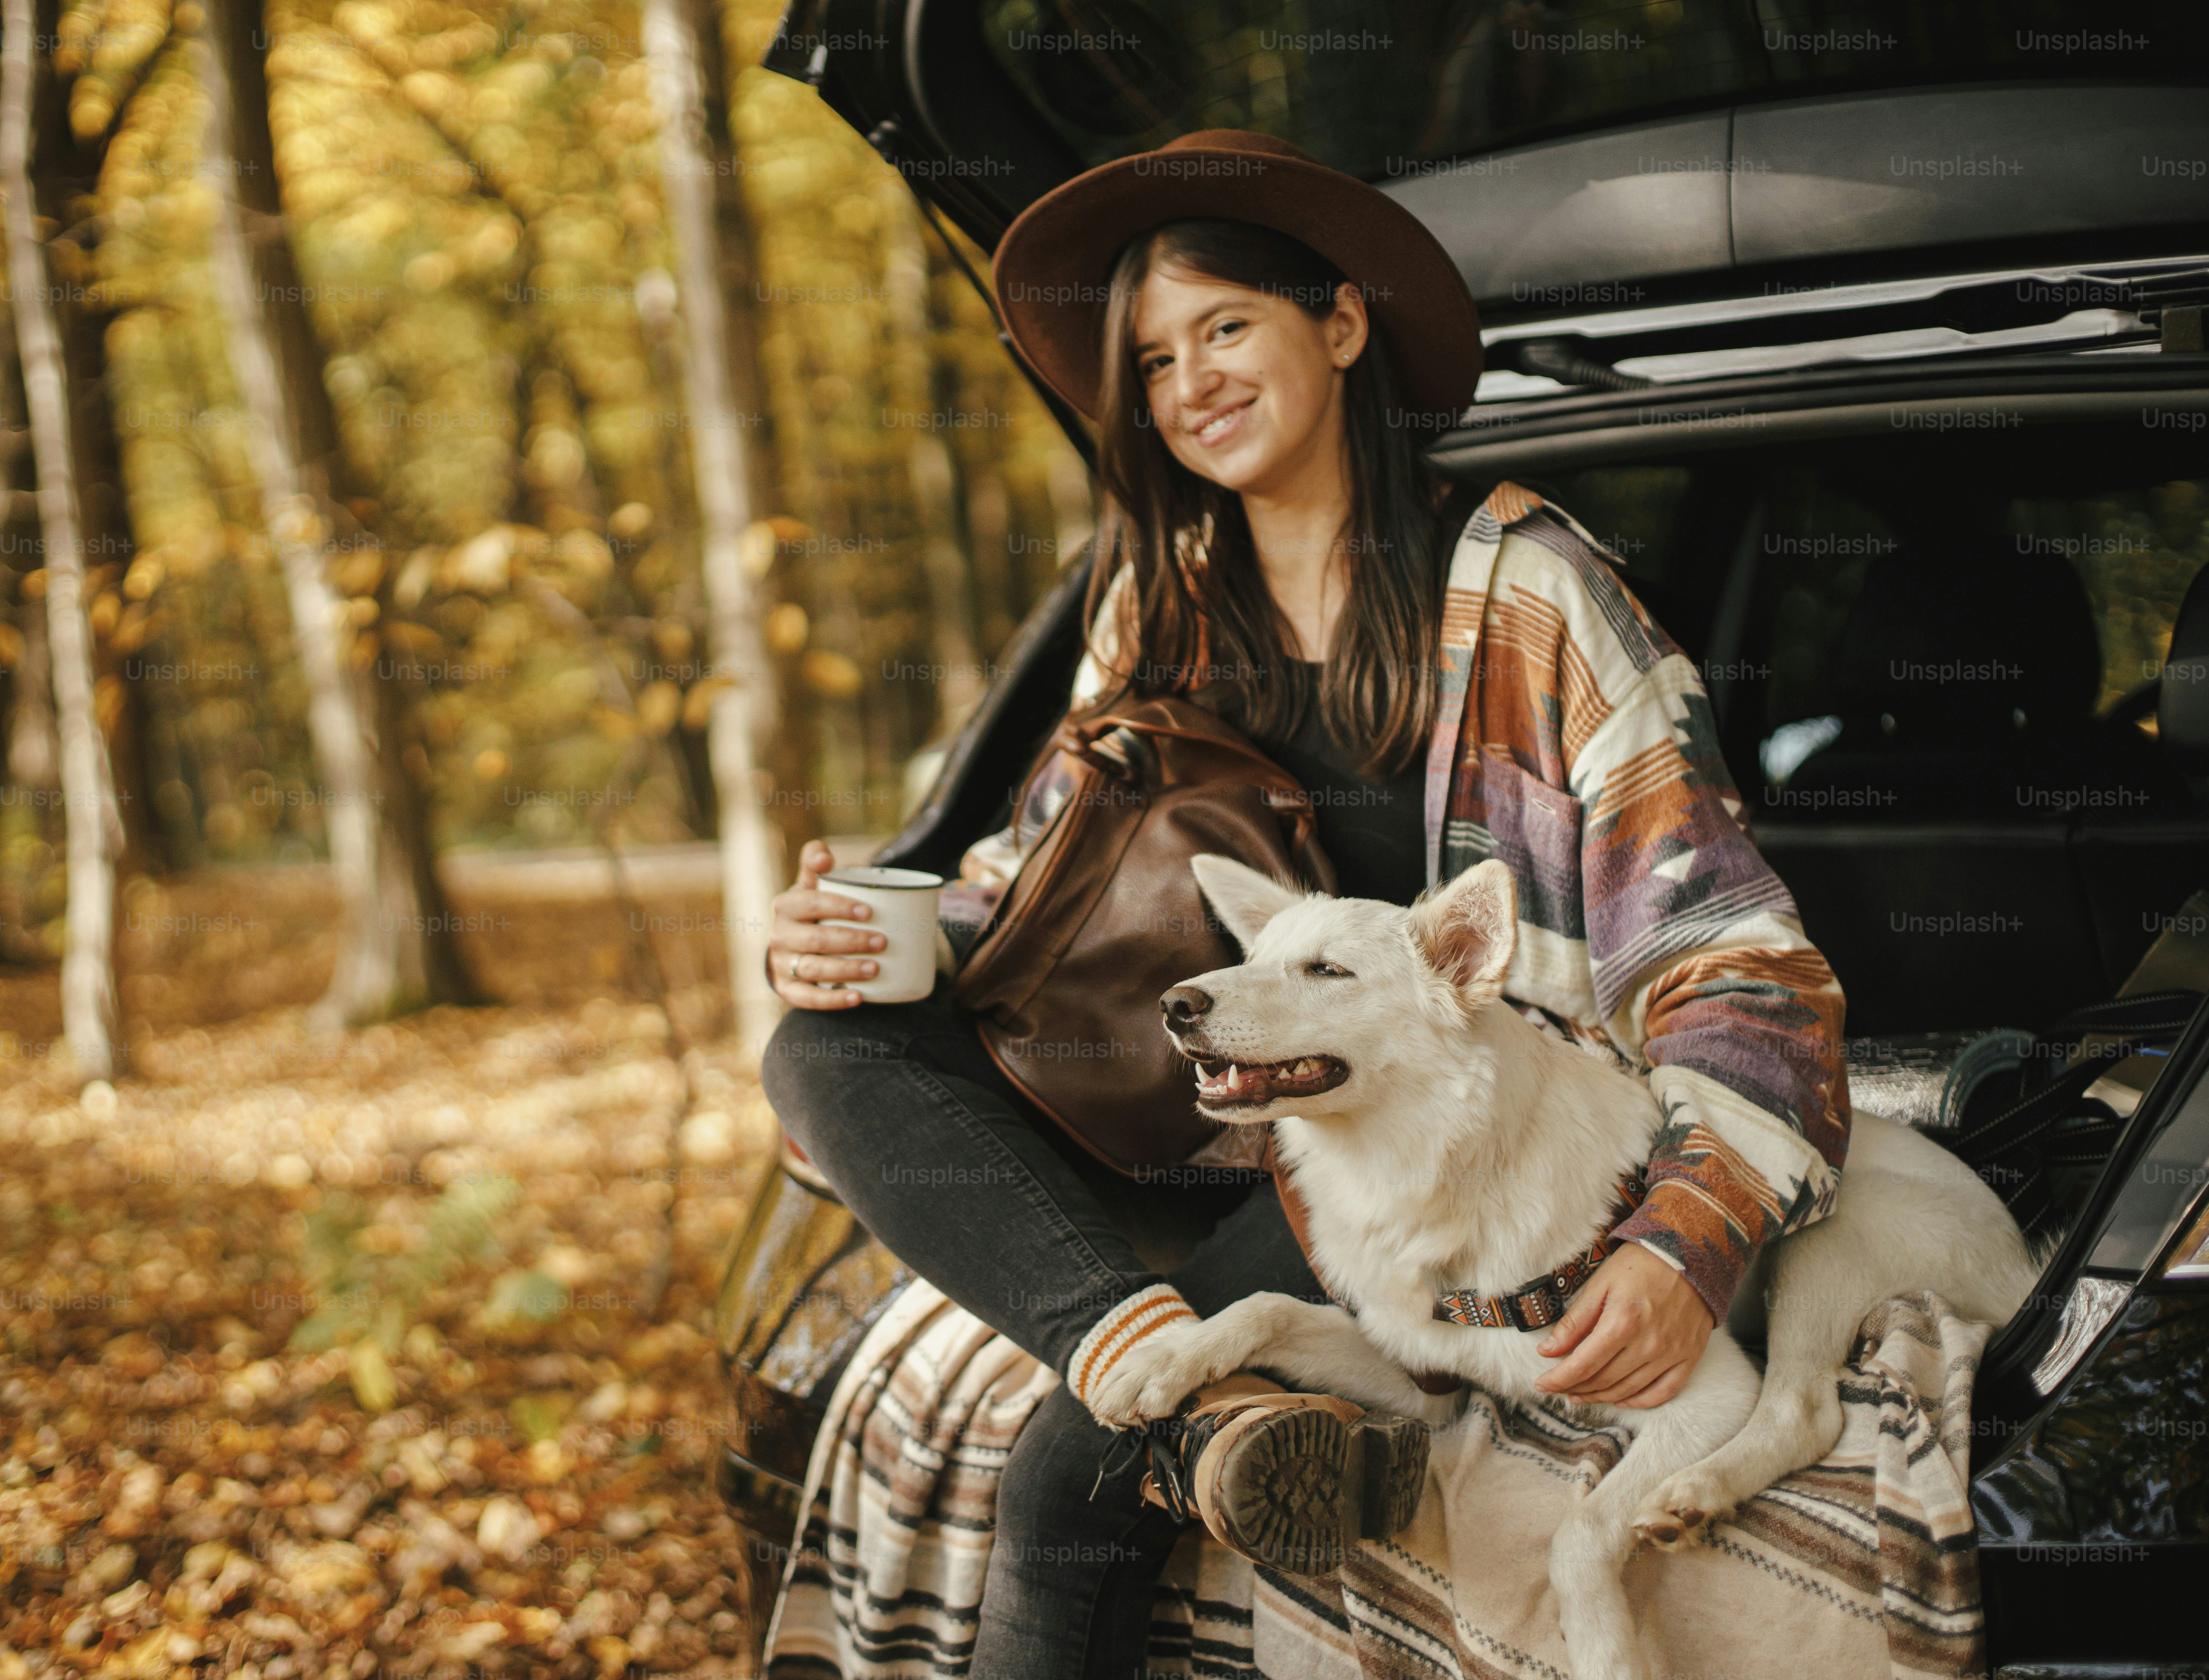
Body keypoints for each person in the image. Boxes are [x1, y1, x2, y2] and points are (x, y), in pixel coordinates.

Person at [759, 129, 1851, 1680]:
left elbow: (1741, 964)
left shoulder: (1529, 586)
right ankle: (1149, 1354)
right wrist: (867, 938)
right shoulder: (1157, 601)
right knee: (817, 1044)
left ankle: (1137, 1391)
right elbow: (1032, 907)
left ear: (1339, 326)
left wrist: (1685, 1243)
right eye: (1152, 360)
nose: (1189, 380)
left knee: (1069, 1474)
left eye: (1225, 328)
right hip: (1182, 1115)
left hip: (1412, 1161)